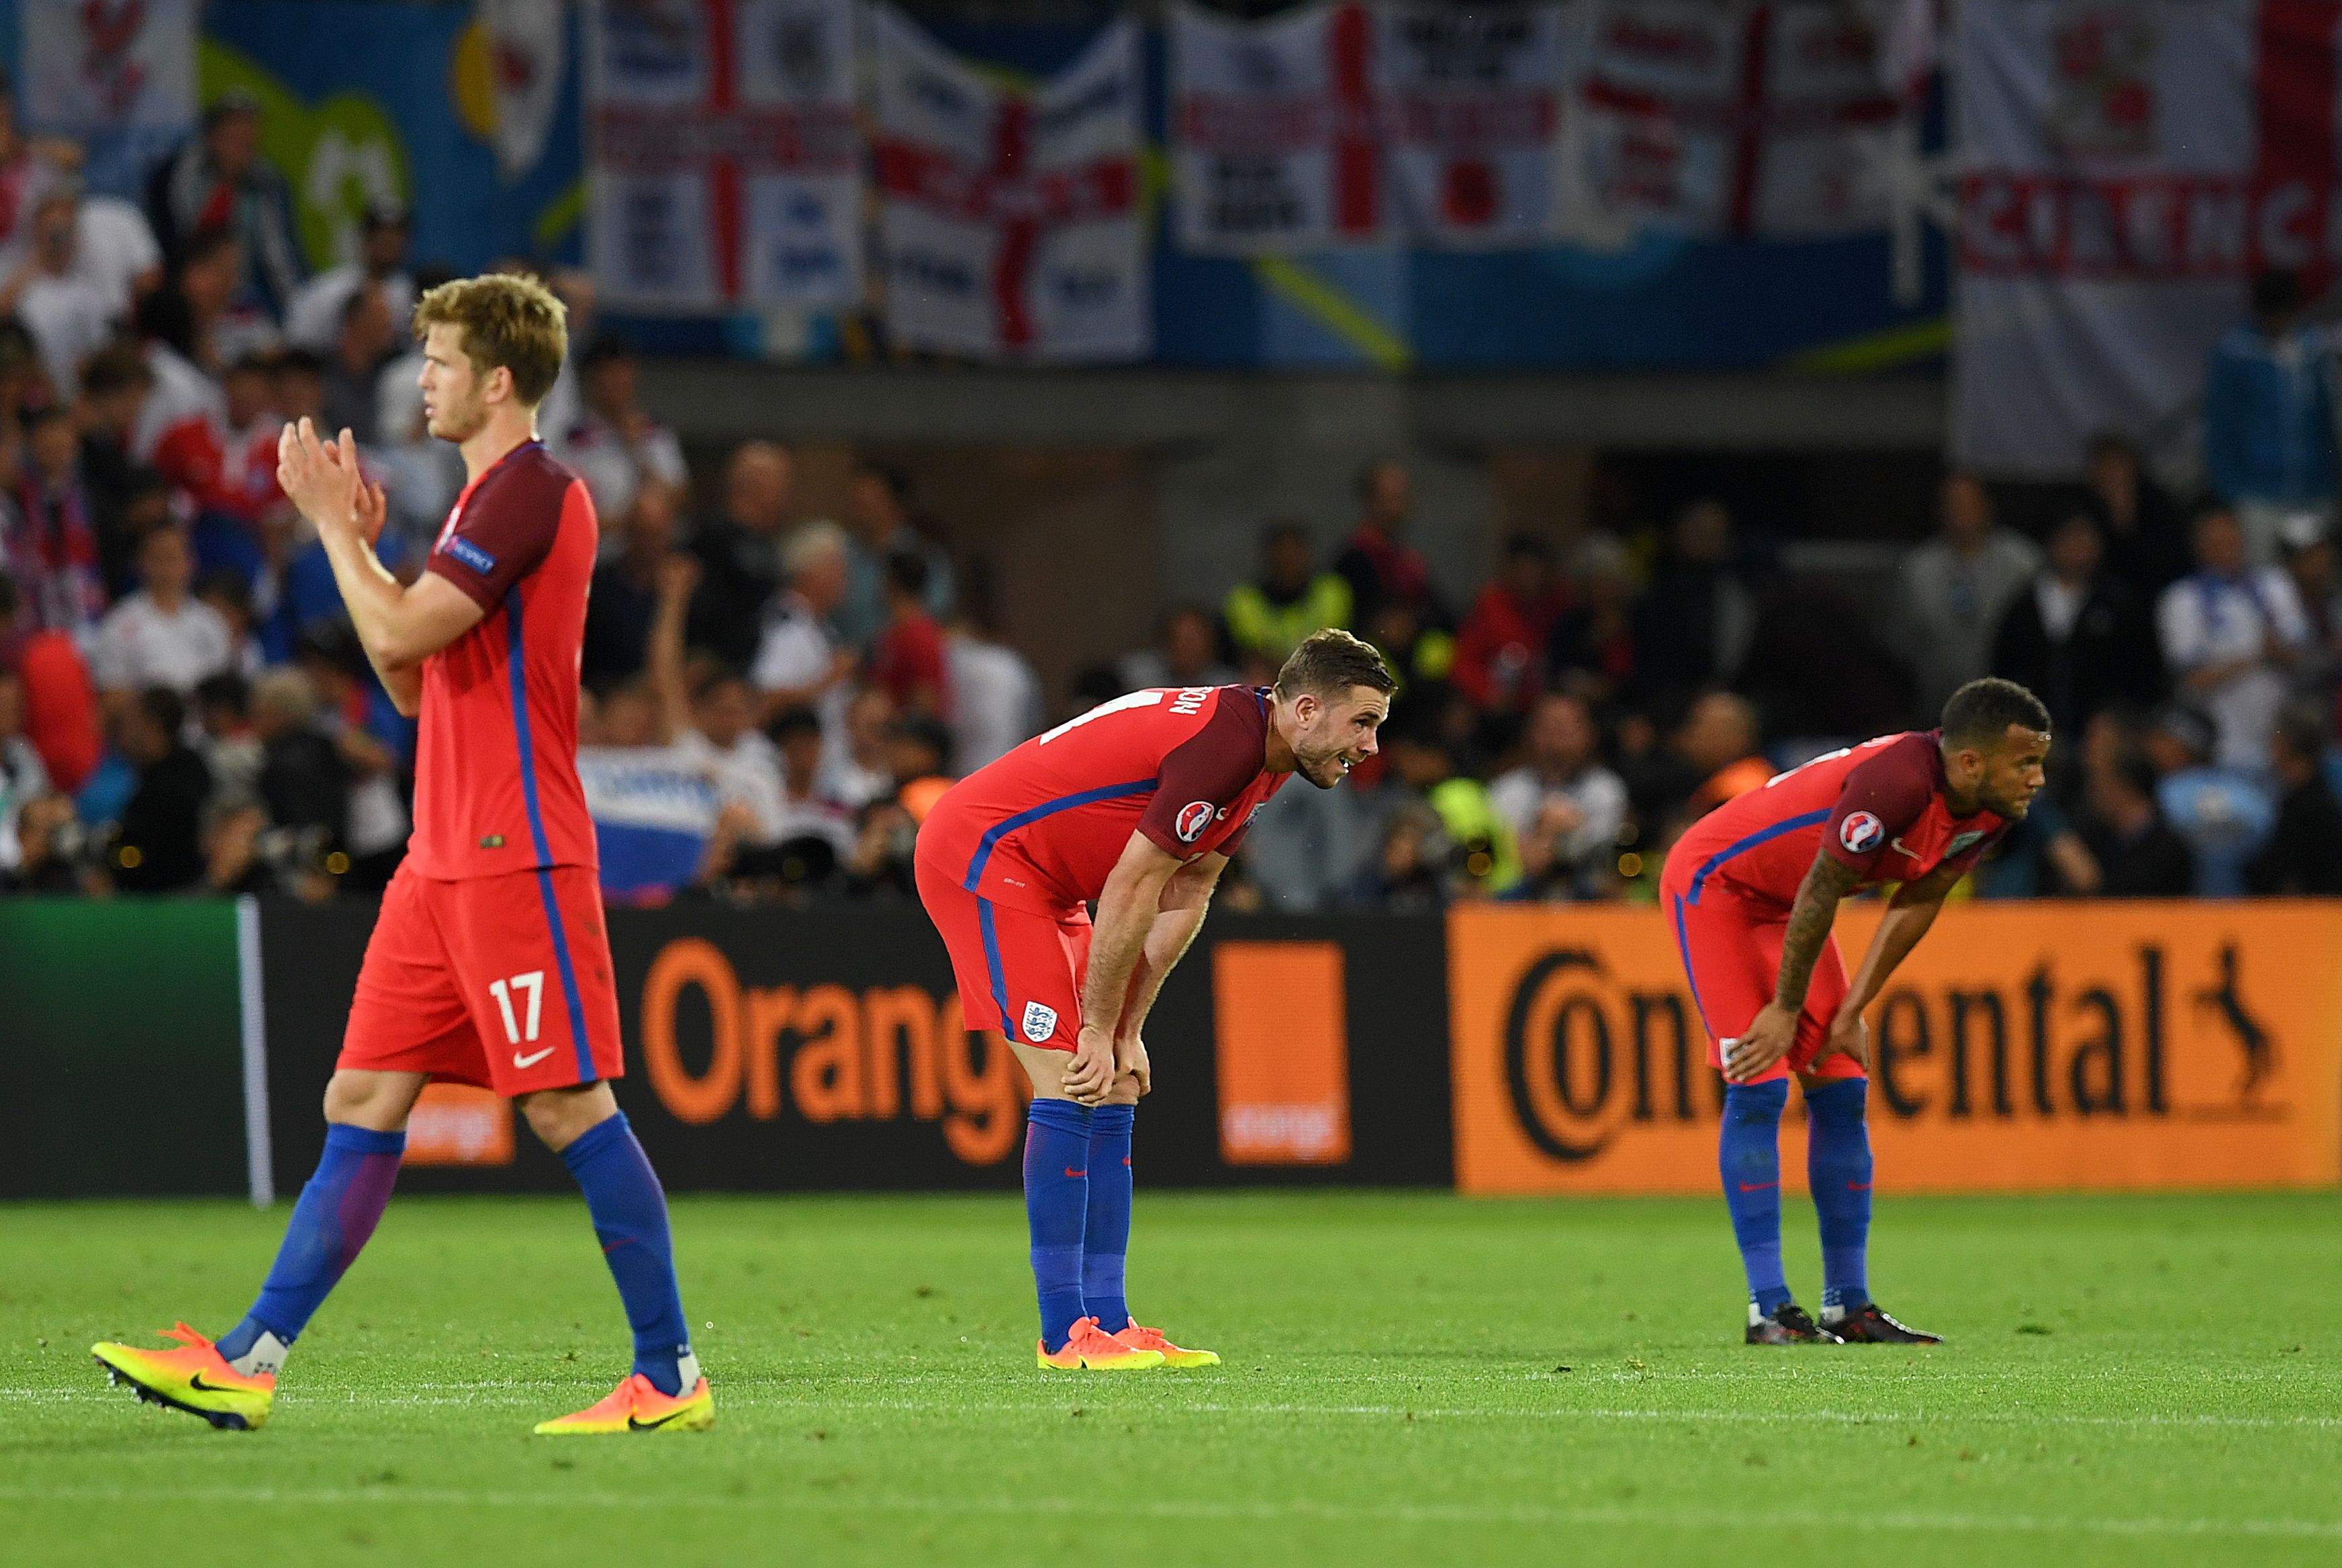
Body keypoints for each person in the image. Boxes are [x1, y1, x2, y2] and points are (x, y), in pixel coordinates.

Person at [93, 273, 710, 1436]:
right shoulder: (479, 505)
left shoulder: (530, 492)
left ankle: (668, 1374)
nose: (419, 379)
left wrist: (334, 530)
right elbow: (409, 681)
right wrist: (365, 552)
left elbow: (406, 634)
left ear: (495, 379)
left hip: (512, 847)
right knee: (363, 1093)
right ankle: (248, 1357)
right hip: (442, 854)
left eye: (436, 361)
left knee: (569, 1107)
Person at [914, 629, 1394, 1370]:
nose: (1368, 745)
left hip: (1052, 878)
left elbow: (1186, 890)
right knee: (1069, 1080)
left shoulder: (1261, 759)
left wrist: (1127, 1027)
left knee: (1115, 1083)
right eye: (1361, 722)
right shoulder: (1225, 748)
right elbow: (1133, 886)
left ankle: (1109, 1317)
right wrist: (1097, 1026)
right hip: (985, 854)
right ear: (1304, 709)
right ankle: (1061, 1333)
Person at [1659, 677, 2052, 1346]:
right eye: (2025, 762)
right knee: (1757, 1082)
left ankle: (1848, 1303)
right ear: (1969, 762)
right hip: (1716, 885)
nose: (2037, 778)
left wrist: (1853, 1006)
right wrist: (1785, 1007)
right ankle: (1769, 1308)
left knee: (1840, 1086)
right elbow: (1822, 886)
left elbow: (1918, 898)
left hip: (1788, 905)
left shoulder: (1989, 810)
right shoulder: (1895, 782)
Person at [2157, 507, 2310, 774]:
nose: (2227, 550)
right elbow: (2189, 681)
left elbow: (2305, 661)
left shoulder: (2275, 586)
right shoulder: (2181, 599)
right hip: (2220, 747)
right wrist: (2256, 658)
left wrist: (2278, 653)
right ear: (2199, 548)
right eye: (2216, 543)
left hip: (2281, 745)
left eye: (2232, 540)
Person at [1989, 508, 2163, 744]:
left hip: (2106, 738)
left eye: (2089, 539)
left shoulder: (2120, 604)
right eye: (2072, 538)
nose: (2082, 548)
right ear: (2053, 543)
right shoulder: (2024, 607)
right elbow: (2004, 671)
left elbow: (2144, 675)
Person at [2204, 268, 2337, 565]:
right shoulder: (2236, 352)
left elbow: (2331, 417)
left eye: (2284, 315)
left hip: (2314, 487)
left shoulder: (2315, 348)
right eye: (2271, 315)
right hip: (2256, 493)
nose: (2277, 323)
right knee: (2265, 579)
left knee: (2316, 576)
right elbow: (2220, 426)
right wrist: (2231, 488)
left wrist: (2331, 479)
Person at [1893, 477, 2041, 723]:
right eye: (1953, 504)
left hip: (2010, 711)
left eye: (1969, 503)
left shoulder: (2023, 563)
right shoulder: (1917, 570)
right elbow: (1899, 645)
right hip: (1936, 710)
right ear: (1939, 510)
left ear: (1987, 506)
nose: (1961, 512)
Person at [146, 92, 302, 320]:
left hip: (238, 302)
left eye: (250, 143)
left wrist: (298, 313)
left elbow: (279, 259)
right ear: (212, 137)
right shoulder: (178, 176)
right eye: (234, 140)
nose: (242, 152)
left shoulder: (266, 187)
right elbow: (171, 239)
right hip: (182, 293)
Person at [1487, 690, 1626, 899]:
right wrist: (1540, 832)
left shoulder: (1607, 789)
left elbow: (1605, 851)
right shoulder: (1506, 790)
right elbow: (1504, 854)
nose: (1556, 738)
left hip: (1590, 900)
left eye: (1566, 728)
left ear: (1588, 734)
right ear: (1531, 733)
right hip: (1516, 900)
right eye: (1549, 727)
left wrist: (1568, 834)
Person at [553, 333, 686, 536]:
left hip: (650, 551)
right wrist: (630, 524)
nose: (618, 382)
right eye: (610, 373)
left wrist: (637, 448)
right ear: (592, 379)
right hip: (600, 550)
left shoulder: (655, 432)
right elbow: (565, 513)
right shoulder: (572, 441)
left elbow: (681, 500)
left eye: (624, 372)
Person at [87, 525, 234, 695]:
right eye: (158, 559)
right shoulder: (119, 623)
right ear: (140, 563)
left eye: (173, 558)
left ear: (190, 563)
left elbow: (223, 691)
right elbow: (112, 693)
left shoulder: (211, 622)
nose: (166, 568)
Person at [687, 440, 793, 669]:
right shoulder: (711, 539)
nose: (787, 493)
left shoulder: (769, 545)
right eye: (781, 481)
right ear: (755, 484)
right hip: (711, 673)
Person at [106, 684, 213, 893]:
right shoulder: (155, 776)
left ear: (152, 725)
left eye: (129, 724)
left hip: (174, 904)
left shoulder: (171, 788)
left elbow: (137, 859)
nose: (123, 736)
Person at [836, 459, 953, 650]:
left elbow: (934, 618)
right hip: (846, 666)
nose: (860, 511)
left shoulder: (926, 559)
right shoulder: (841, 557)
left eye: (869, 502)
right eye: (856, 503)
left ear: (894, 504)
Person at [1452, 533, 1567, 721]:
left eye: (1536, 569)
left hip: (1539, 708)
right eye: (1524, 568)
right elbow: (1464, 662)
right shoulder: (1491, 606)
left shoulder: (1557, 607)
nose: (1530, 576)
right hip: (1490, 709)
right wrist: (1488, 695)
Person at [285, 203, 414, 352]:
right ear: (365, 238)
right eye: (382, 235)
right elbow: (299, 343)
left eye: (397, 236)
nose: (389, 243)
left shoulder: (410, 292)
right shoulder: (327, 291)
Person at [1223, 521, 1352, 669]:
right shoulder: (1243, 599)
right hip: (1269, 678)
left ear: (1307, 553)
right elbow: (1251, 654)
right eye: (1281, 552)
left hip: (1324, 672)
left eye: (1294, 551)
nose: (1288, 559)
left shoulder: (1333, 591)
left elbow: (1334, 647)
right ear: (1267, 557)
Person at [2245, 703, 2342, 895]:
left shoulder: (2311, 808)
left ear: (2284, 744)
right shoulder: (2305, 797)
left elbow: (2294, 876)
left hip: (2309, 913)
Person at [1333, 460, 1438, 627]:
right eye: (1392, 498)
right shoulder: (1351, 563)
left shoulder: (1409, 562)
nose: (1400, 508)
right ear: (1371, 501)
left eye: (1404, 497)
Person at [870, 552, 947, 717]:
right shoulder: (891, 633)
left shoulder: (920, 637)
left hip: (904, 735)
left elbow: (926, 699)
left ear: (891, 583)